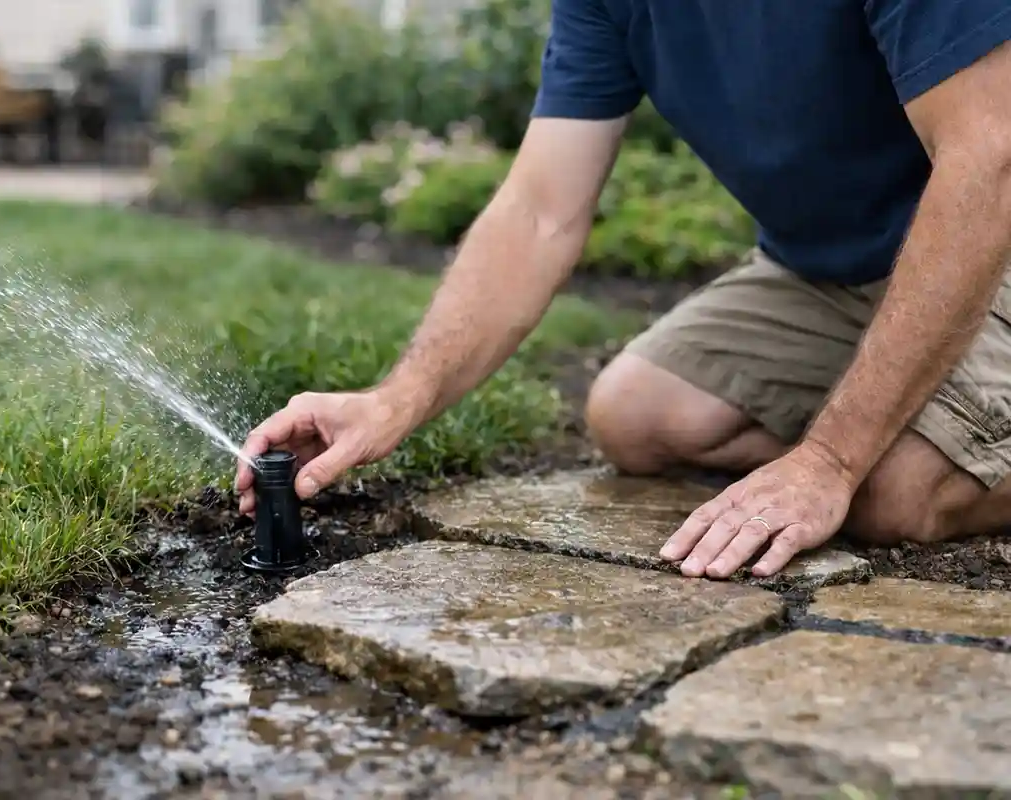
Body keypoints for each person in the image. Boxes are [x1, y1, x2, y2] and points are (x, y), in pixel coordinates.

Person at [236, 1, 1011, 580]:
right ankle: (917, 414)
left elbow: (990, 160)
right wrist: (395, 400)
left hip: (989, 240)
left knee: (896, 495)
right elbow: (541, 211)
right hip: (827, 270)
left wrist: (833, 461)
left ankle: (913, 440)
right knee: (637, 414)